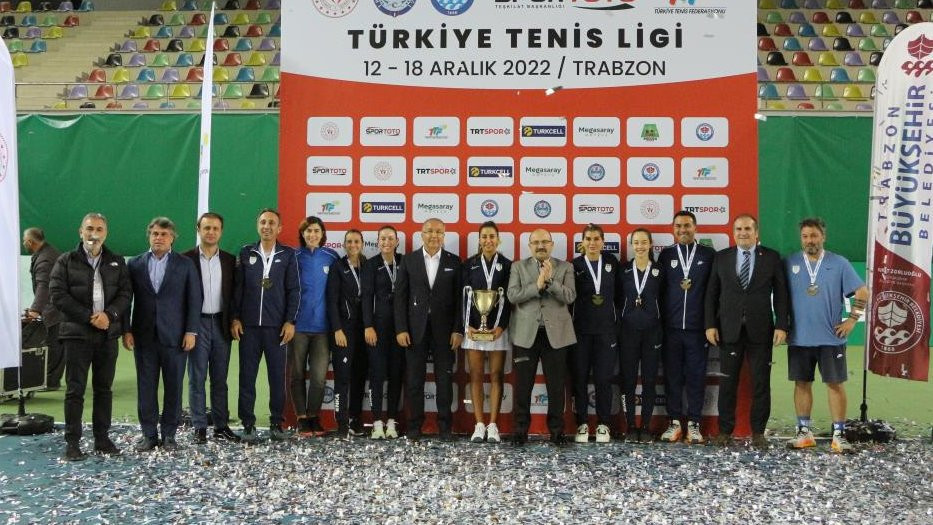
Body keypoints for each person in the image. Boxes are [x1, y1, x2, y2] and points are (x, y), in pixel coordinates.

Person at [49, 212, 132, 461]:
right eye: (89, 229)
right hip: (76, 335)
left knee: (104, 389)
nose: (93, 234)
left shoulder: (117, 261)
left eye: (99, 229)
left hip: (107, 335)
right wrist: (89, 317)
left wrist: (110, 315)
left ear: (105, 234)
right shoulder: (65, 261)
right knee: (75, 390)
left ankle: (102, 439)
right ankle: (72, 442)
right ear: (81, 232)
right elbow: (57, 295)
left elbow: (126, 294)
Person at [704, 215, 789, 449]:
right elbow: (711, 294)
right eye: (739, 229)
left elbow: (781, 295)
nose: (743, 233)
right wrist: (710, 324)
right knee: (727, 384)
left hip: (761, 332)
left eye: (748, 229)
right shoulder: (722, 257)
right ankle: (724, 431)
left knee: (761, 384)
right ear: (733, 233)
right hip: (728, 331)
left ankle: (758, 432)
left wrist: (782, 325)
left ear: (756, 232)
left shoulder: (771, 258)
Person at [784, 217, 867, 454]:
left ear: (823, 237)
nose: (809, 240)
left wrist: (852, 320)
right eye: (805, 236)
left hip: (831, 338)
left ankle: (839, 435)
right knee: (802, 383)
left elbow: (862, 291)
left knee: (835, 384)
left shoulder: (839, 263)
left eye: (814, 235)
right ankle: (804, 433)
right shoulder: (789, 262)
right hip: (799, 338)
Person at [124, 217, 202, 451]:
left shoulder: (185, 264)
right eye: (155, 233)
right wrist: (126, 330)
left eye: (164, 234)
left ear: (172, 238)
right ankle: (149, 435)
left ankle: (169, 435)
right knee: (146, 388)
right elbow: (126, 300)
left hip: (176, 338)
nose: (159, 238)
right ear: (149, 236)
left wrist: (191, 331)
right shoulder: (135, 264)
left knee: (174, 388)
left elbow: (194, 299)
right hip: (144, 337)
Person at [231, 208, 300, 442]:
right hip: (249, 327)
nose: (267, 226)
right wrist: (235, 318)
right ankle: (248, 425)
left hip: (277, 328)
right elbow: (237, 289)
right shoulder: (246, 252)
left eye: (272, 223)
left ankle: (276, 423)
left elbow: (294, 290)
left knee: (277, 378)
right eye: (263, 222)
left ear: (279, 228)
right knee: (247, 377)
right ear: (257, 226)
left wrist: (290, 321)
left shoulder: (288, 255)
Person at [394, 218, 463, 440]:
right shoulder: (409, 260)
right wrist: (401, 328)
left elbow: (460, 300)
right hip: (415, 331)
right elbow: (400, 297)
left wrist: (458, 330)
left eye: (439, 232)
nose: (434, 235)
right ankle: (414, 426)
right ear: (421, 234)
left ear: (444, 235)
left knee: (444, 381)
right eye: (430, 231)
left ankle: (445, 427)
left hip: (445, 331)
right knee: (414, 380)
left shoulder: (455, 261)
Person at [507, 229, 576, 446]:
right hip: (525, 335)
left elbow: (570, 296)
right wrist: (536, 285)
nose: (540, 246)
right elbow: (512, 296)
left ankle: (557, 432)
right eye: (536, 242)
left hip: (556, 335)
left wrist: (550, 281)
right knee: (523, 386)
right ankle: (520, 431)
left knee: (556, 387)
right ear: (529, 246)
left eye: (545, 241)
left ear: (552, 244)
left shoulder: (565, 267)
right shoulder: (518, 267)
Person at [657, 210, 716, 445]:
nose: (683, 230)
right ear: (673, 229)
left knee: (696, 377)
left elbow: (713, 292)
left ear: (695, 228)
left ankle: (694, 423)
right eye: (678, 226)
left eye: (687, 225)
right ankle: (674, 422)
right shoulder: (666, 255)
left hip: (697, 329)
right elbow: (660, 292)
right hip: (671, 329)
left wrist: (710, 324)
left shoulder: (708, 255)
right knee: (672, 376)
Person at [182, 212, 241, 443]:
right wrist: (187, 328)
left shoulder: (229, 260)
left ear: (221, 232)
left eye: (215, 228)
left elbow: (233, 296)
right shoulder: (185, 259)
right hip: (196, 325)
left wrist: (234, 319)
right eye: (206, 228)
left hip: (221, 325)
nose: (211, 232)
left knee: (220, 378)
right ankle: (199, 427)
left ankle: (221, 426)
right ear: (198, 229)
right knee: (196, 378)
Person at [461, 221, 512, 444]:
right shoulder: (469, 264)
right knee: (476, 375)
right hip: (474, 328)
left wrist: (501, 326)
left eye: (492, 236)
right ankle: (479, 424)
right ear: (479, 240)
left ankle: (493, 425)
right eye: (484, 237)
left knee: (496, 375)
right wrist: (467, 326)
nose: (488, 240)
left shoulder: (507, 265)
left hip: (498, 330)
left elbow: (509, 299)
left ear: (498, 240)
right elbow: (464, 297)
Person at [570, 224, 621, 444]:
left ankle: (603, 424)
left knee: (604, 379)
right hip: (581, 331)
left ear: (603, 241)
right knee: (580, 378)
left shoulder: (612, 263)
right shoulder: (574, 265)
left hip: (606, 332)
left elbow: (620, 296)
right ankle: (582, 423)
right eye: (588, 239)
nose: (592, 243)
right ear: (582, 242)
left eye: (596, 239)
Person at [291, 216, 339, 437]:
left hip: (323, 329)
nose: (312, 234)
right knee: (297, 374)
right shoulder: (293, 256)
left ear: (322, 234)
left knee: (319, 377)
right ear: (303, 234)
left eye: (316, 231)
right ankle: (301, 418)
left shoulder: (331, 257)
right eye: (308, 231)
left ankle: (313, 416)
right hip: (298, 327)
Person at [619, 228, 664, 444]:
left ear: (650, 244)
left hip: (652, 333)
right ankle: (630, 426)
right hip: (628, 332)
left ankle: (645, 426)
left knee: (649, 380)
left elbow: (665, 299)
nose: (640, 246)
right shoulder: (623, 270)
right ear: (631, 245)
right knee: (628, 381)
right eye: (636, 242)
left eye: (644, 242)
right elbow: (617, 299)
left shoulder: (660, 270)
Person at [362, 225, 404, 439]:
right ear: (377, 242)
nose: (386, 242)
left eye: (390, 238)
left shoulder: (405, 262)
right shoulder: (371, 265)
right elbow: (366, 297)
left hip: (400, 329)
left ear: (397, 242)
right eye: (383, 238)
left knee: (396, 375)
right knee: (377, 375)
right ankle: (377, 422)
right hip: (377, 329)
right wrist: (368, 326)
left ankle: (392, 421)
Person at [326, 229, 369, 437]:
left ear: (362, 244)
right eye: (349, 241)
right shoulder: (338, 267)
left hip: (364, 331)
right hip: (344, 330)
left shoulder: (368, 266)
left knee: (359, 376)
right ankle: (342, 423)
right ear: (344, 245)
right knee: (342, 377)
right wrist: (337, 329)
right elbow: (332, 301)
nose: (353, 245)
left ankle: (355, 419)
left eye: (356, 241)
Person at [23, 227, 63, 390]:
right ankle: (50, 380)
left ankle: (51, 382)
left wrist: (35, 310)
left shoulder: (45, 259)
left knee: (55, 345)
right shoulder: (47, 252)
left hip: (57, 309)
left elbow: (43, 287)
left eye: (24, 240)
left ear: (30, 242)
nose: (23, 243)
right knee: (56, 345)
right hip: (57, 307)